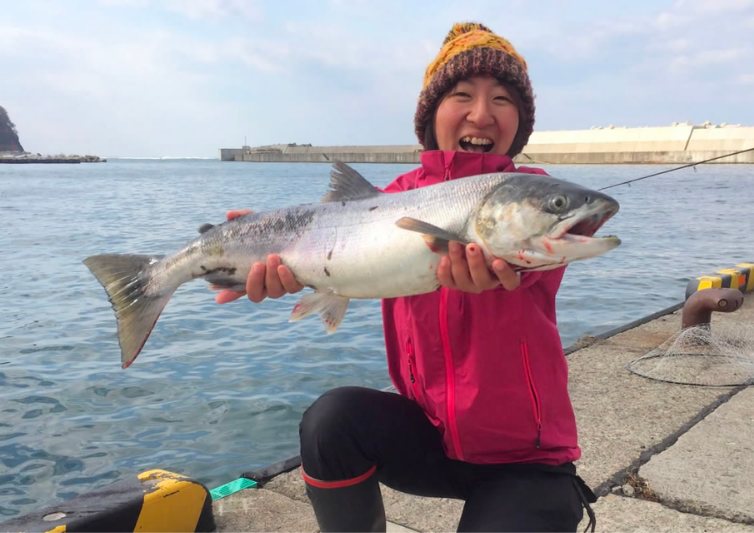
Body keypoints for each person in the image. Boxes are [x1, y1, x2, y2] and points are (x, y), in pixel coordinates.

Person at [214, 22, 597, 533]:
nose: (481, 113)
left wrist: (502, 261)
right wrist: (264, 242)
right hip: (429, 439)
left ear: (520, 122)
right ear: (431, 113)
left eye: (503, 99)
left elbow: (525, 269)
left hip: (525, 461)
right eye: (462, 94)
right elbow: (336, 242)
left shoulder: (532, 198)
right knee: (332, 422)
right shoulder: (390, 198)